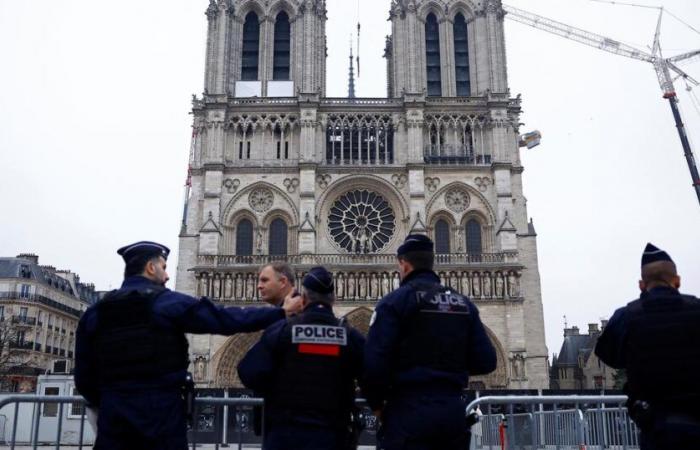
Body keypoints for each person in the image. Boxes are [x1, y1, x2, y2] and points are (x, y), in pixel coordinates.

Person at [74, 241, 302, 450]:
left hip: (114, 418)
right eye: (163, 267)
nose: (166, 277)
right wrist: (280, 313)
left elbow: (83, 377)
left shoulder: (96, 312)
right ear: (151, 268)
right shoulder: (166, 303)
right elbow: (224, 319)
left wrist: (113, 398)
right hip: (161, 417)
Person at [363, 234, 497, 450]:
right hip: (451, 412)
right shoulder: (463, 304)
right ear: (431, 263)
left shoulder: (393, 303)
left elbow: (372, 366)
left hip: (407, 411)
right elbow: (487, 361)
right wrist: (450, 365)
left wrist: (378, 408)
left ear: (404, 265)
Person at [238, 266, 366, 450]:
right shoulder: (351, 337)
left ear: (303, 300)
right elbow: (373, 378)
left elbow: (247, 373)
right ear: (334, 300)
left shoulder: (281, 331)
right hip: (333, 437)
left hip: (286, 436)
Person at [595, 243, 700, 449]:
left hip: (656, 426)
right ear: (677, 281)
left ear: (642, 285)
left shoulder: (627, 317)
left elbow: (608, 356)